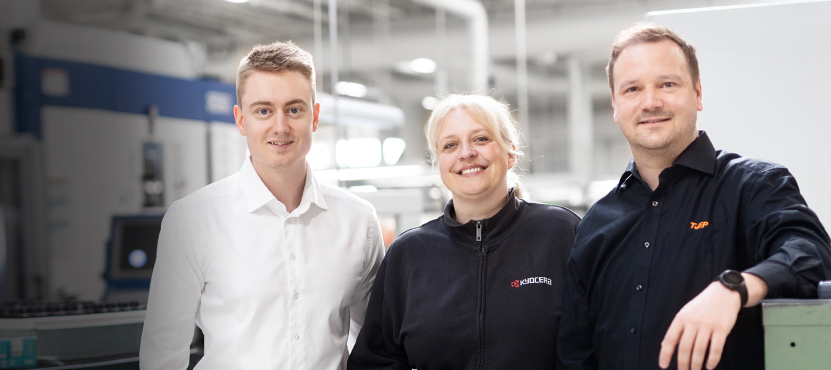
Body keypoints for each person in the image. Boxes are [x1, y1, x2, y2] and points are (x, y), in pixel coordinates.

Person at [556, 22, 831, 370]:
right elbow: (574, 355)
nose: (650, 102)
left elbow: (811, 257)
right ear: (615, 104)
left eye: (667, 84)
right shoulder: (597, 223)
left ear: (698, 94)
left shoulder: (752, 186)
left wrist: (733, 288)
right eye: (632, 89)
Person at [139, 41, 385, 369]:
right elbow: (162, 355)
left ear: (314, 118)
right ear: (241, 120)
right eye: (264, 111)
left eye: (294, 109)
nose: (280, 126)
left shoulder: (358, 221)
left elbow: (373, 339)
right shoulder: (192, 221)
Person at [347, 94, 581, 369]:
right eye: (450, 145)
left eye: (481, 139)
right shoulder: (409, 255)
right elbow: (374, 361)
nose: (466, 153)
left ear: (510, 153)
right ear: (440, 163)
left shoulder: (560, 233)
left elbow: (593, 344)